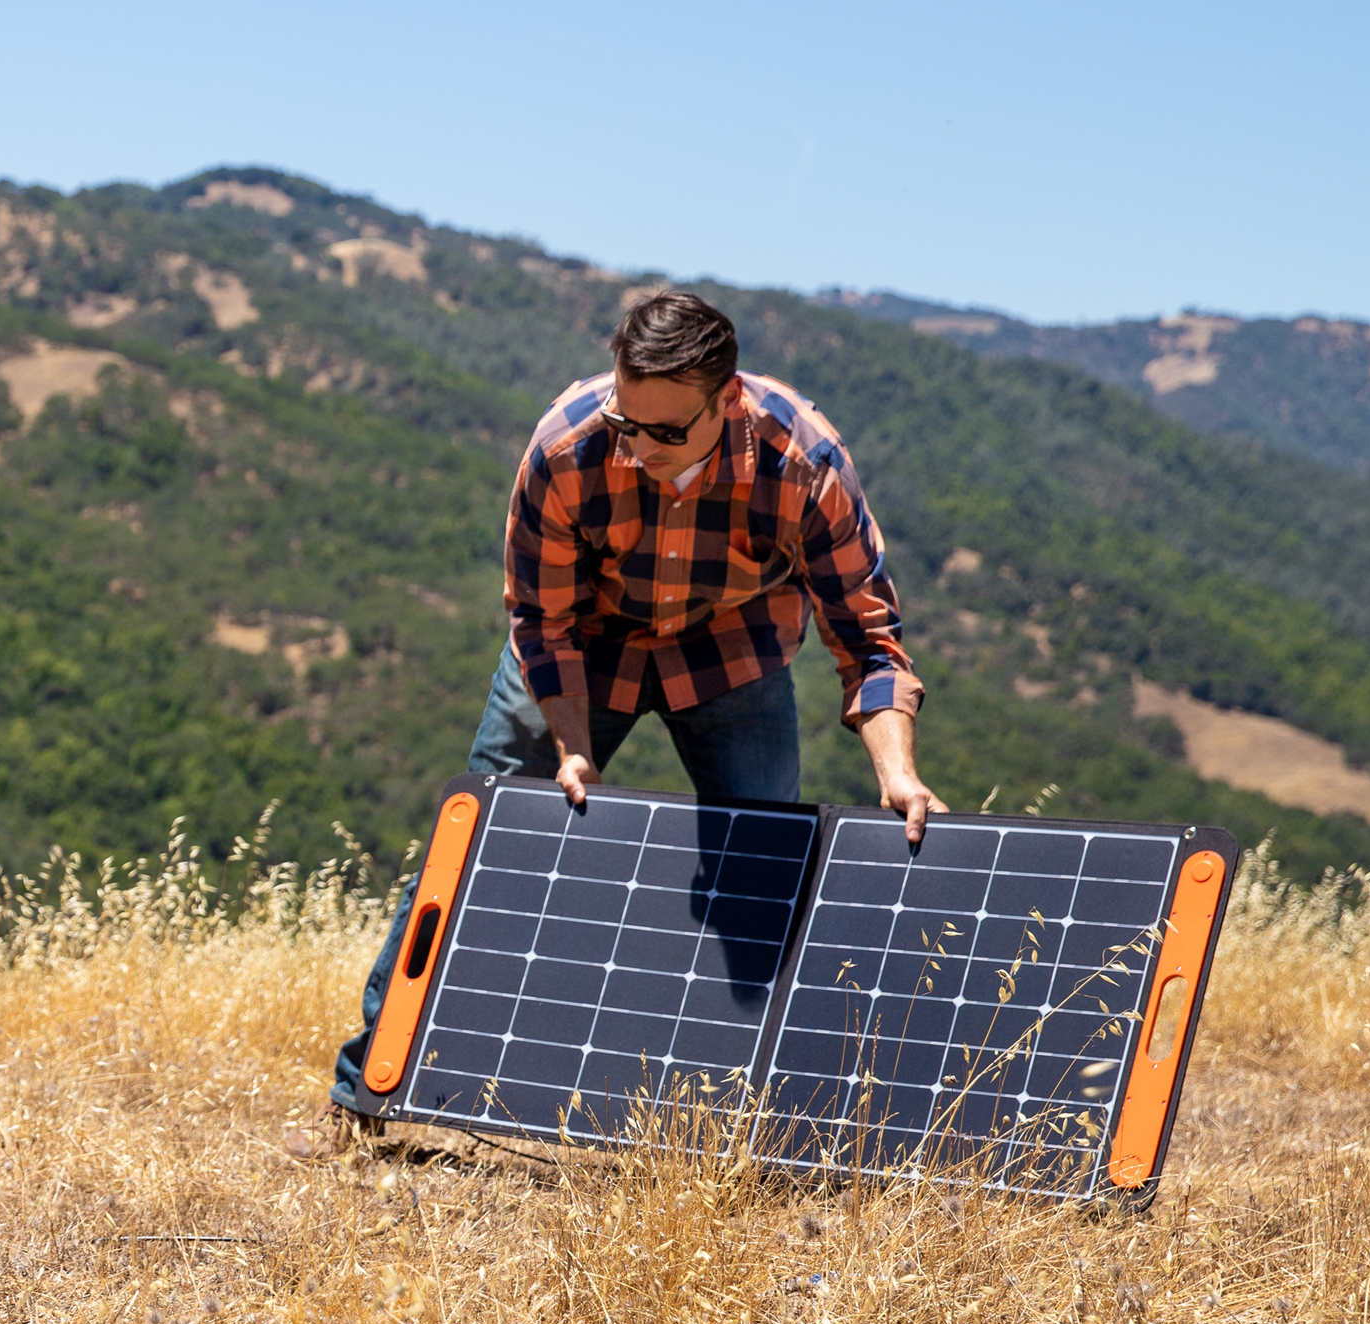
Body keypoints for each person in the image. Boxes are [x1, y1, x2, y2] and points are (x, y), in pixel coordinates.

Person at [327, 290, 944, 1114]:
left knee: (760, 868)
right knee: (477, 846)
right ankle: (372, 1084)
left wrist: (897, 772)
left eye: (666, 432)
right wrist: (572, 745)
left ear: (727, 401)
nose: (641, 446)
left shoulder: (805, 462)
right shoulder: (566, 449)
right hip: (587, 647)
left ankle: (738, 1103)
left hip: (734, 652)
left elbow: (867, 638)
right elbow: (540, 626)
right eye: (629, 424)